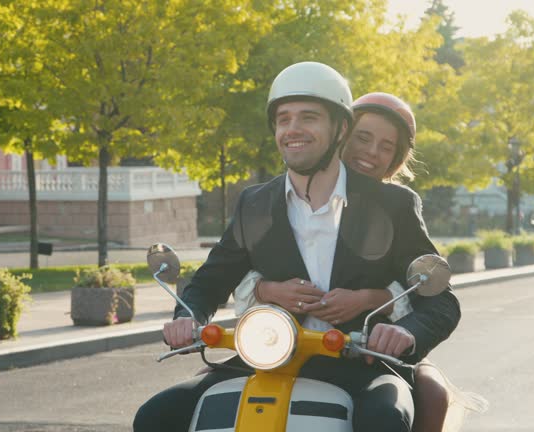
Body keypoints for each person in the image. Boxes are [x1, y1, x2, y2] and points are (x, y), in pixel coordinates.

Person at [133, 62, 461, 432]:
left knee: (385, 419)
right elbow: (209, 282)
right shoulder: (253, 204)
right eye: (283, 118)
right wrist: (187, 317)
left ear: (340, 129)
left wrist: (405, 332)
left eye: (309, 117)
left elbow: (440, 300)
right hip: (268, 358)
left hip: (359, 365)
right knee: (155, 416)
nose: (293, 129)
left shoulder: (392, 205)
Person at [233, 92, 453, 432]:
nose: (370, 152)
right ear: (339, 133)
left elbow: (433, 295)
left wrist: (379, 306)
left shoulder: (397, 205)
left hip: (363, 359)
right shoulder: (265, 199)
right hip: (273, 352)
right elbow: (228, 269)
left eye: (386, 146)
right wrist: (267, 289)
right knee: (171, 409)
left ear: (397, 158)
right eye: (362, 138)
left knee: (392, 412)